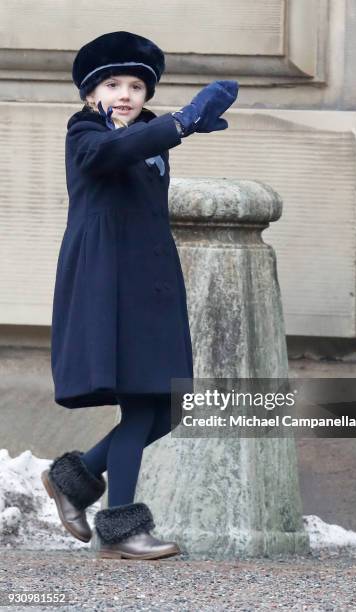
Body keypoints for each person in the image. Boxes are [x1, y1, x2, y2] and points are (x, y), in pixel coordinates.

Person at [41, 31, 238, 560]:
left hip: (151, 281)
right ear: (90, 95)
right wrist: (181, 124)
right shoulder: (84, 132)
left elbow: (141, 148)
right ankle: (121, 530)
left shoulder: (150, 137)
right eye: (111, 84)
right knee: (138, 406)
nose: (125, 93)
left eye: (136, 85)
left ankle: (73, 479)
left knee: (169, 406)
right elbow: (111, 152)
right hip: (108, 281)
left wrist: (173, 129)